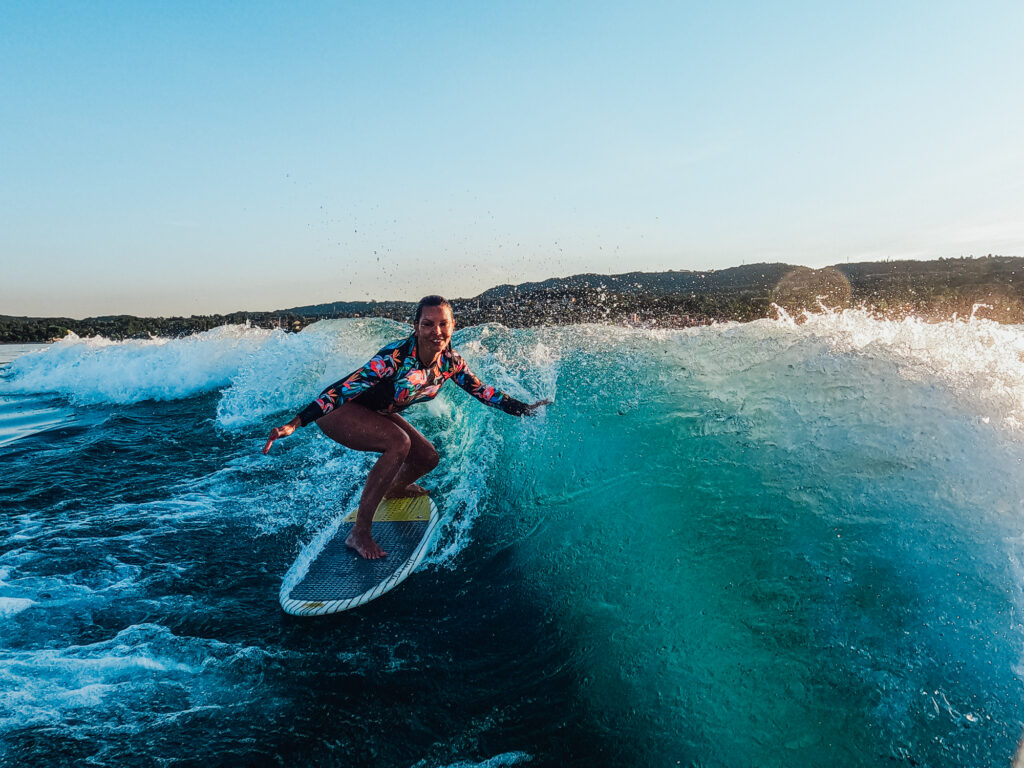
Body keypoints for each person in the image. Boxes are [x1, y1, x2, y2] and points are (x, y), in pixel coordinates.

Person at [262, 295, 551, 559]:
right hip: (341, 411)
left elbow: (484, 392)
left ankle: (394, 489)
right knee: (399, 443)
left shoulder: (450, 363)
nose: (436, 331)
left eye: (443, 324)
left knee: (427, 457)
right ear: (416, 326)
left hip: (375, 411)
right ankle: (359, 533)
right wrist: (297, 422)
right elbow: (341, 391)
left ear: (452, 326)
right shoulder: (395, 358)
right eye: (428, 324)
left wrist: (525, 409)